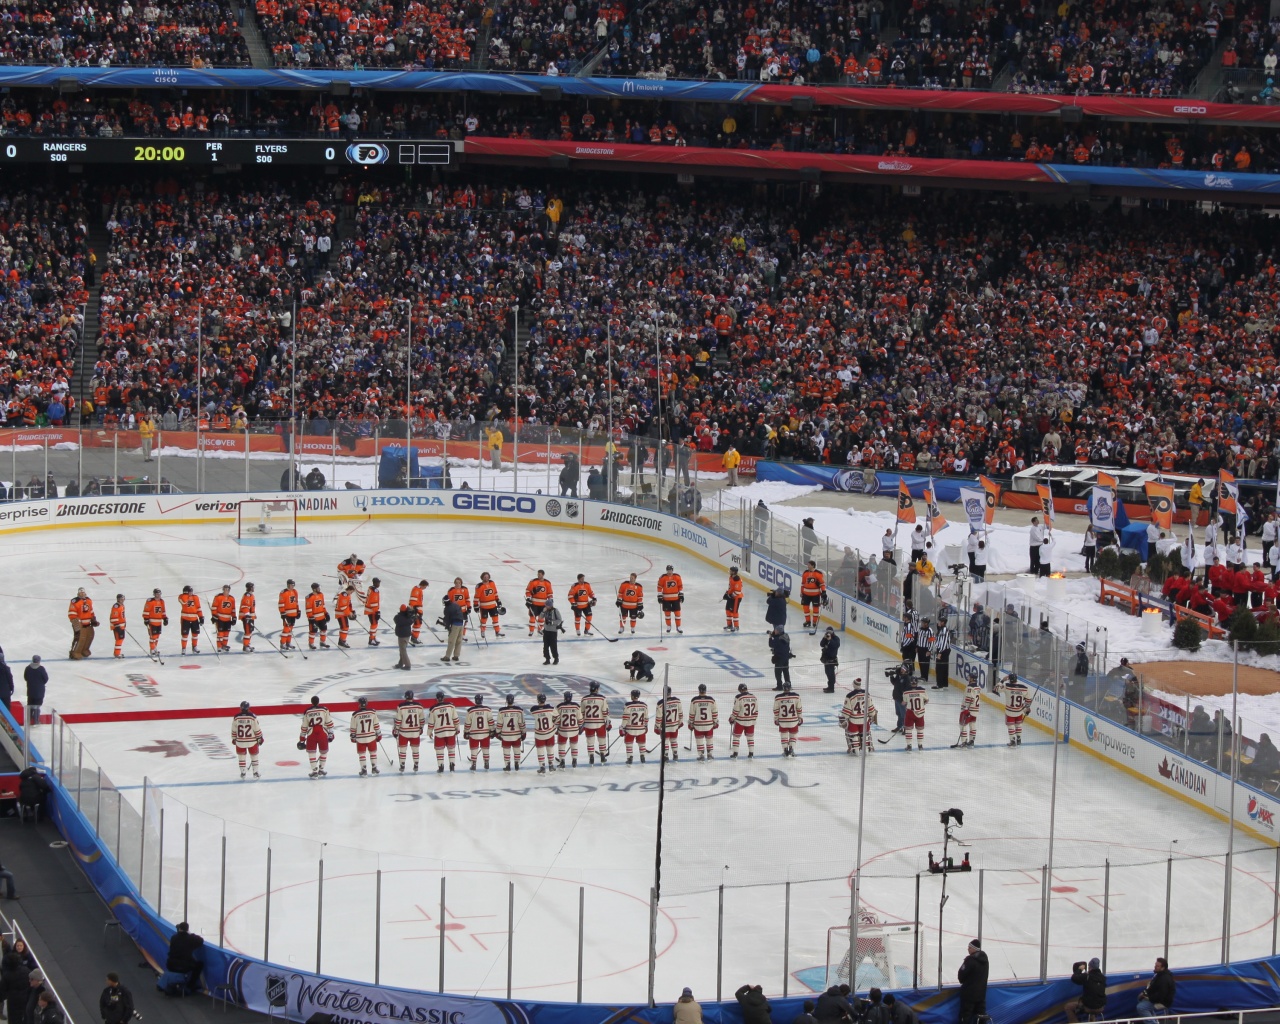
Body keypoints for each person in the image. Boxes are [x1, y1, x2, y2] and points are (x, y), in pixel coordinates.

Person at [298, 696, 334, 778]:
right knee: (324, 752)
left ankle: (314, 771)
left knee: (311, 753)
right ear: (318, 702)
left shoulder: (307, 711)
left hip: (311, 734)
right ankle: (321, 770)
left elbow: (304, 727)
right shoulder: (324, 710)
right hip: (322, 733)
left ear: (311, 702)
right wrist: (331, 734)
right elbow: (329, 723)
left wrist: (302, 740)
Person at [166, 921, 206, 992]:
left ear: (180, 928)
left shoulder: (173, 938)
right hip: (183, 966)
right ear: (187, 929)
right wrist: (191, 934)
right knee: (199, 965)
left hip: (170, 964)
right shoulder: (190, 938)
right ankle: (191, 985)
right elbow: (200, 941)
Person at [839, 678, 875, 755]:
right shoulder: (866, 693)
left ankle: (855, 749)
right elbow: (871, 708)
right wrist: (872, 715)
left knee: (852, 734)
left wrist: (843, 718)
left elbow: (846, 711)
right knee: (865, 734)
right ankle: (867, 748)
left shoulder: (850, 695)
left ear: (854, 685)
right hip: (865, 720)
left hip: (854, 720)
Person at [957, 939, 988, 1024]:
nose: (968, 949)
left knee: (965, 1017)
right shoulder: (985, 960)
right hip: (981, 995)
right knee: (981, 1018)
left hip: (969, 995)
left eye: (970, 947)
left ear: (974, 949)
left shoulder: (970, 960)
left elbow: (961, 975)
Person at [1066, 957, 1107, 1022]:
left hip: (1089, 1007)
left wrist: (1079, 970)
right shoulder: (1103, 977)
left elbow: (1074, 978)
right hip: (1100, 1007)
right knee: (1093, 1002)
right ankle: (1092, 1021)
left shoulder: (1087, 976)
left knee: (1068, 1007)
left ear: (1090, 967)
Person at [428, 691, 461, 772]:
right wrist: (457, 728)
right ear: (443, 698)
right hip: (450, 731)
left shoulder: (433, 709)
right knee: (451, 749)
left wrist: (429, 732)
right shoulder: (451, 706)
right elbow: (456, 719)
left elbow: (431, 722)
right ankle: (452, 765)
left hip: (439, 733)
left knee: (439, 750)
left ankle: (441, 766)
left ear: (436, 699)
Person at [350, 695, 382, 776]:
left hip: (360, 737)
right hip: (371, 736)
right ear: (366, 703)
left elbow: (353, 728)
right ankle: (374, 768)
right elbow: (376, 725)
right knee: (373, 753)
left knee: (362, 754)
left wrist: (352, 736)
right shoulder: (372, 712)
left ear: (359, 704)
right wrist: (379, 734)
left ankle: (364, 770)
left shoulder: (355, 715)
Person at [581, 681, 612, 765]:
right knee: (602, 740)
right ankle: (602, 756)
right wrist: (608, 723)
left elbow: (582, 713)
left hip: (588, 724)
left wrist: (581, 725)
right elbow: (605, 712)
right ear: (597, 689)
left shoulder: (584, 699)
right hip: (600, 724)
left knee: (590, 741)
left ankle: (591, 757)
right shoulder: (602, 698)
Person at [996, 674, 1031, 747]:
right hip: (1019, 711)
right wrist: (1026, 709)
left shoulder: (1007, 686)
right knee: (1018, 725)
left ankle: (1012, 741)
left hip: (1010, 711)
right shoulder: (1024, 688)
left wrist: (1002, 680)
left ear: (1009, 679)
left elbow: (996, 689)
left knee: (1010, 725)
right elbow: (1028, 700)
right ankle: (1019, 739)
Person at [496, 695, 526, 771]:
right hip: (516, 735)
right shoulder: (519, 710)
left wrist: (497, 732)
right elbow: (521, 723)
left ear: (506, 701)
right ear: (513, 700)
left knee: (506, 751)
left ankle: (507, 765)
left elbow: (499, 724)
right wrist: (523, 732)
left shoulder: (501, 711)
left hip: (506, 735)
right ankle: (517, 764)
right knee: (517, 751)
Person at [531, 693, 559, 774]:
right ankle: (551, 766)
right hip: (550, 732)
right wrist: (553, 722)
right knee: (550, 749)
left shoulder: (534, 709)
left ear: (538, 700)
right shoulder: (550, 708)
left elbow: (535, 713)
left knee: (540, 750)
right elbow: (557, 716)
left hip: (539, 734)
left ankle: (542, 767)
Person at [730, 682, 759, 758]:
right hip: (751, 721)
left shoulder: (739, 697)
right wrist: (753, 719)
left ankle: (735, 753)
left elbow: (736, 710)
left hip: (740, 721)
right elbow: (756, 710)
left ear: (739, 690)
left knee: (736, 737)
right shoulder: (754, 697)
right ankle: (751, 753)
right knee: (750, 737)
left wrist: (732, 718)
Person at [773, 681, 802, 757]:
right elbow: (799, 708)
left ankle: (785, 751)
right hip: (793, 720)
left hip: (782, 721)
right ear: (790, 688)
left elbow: (776, 710)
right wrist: (800, 717)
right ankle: (791, 749)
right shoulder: (796, 696)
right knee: (793, 735)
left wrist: (776, 718)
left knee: (784, 736)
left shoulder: (778, 697)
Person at [474, 572, 504, 638]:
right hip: (484, 606)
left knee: (495, 619)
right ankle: (483, 632)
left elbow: (495, 593)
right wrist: (475, 605)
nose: (486, 578)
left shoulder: (492, 583)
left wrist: (498, 601)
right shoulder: (479, 586)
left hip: (493, 605)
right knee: (484, 620)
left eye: (487, 577)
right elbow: (476, 597)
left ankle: (497, 631)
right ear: (482, 577)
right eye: (485, 577)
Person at [556, 690, 582, 767]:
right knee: (574, 745)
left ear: (564, 697)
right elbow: (580, 719)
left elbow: (556, 719)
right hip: (574, 730)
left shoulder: (559, 706)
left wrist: (556, 728)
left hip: (563, 730)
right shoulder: (576, 706)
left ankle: (562, 762)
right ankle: (574, 761)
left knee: (561, 746)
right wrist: (580, 727)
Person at [903, 674, 928, 751]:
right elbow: (926, 700)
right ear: (917, 682)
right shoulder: (923, 691)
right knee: (920, 730)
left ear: (910, 682)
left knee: (908, 730)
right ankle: (920, 745)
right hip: (920, 713)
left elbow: (904, 703)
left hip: (910, 713)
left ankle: (909, 745)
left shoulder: (906, 692)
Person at [800, 561, 826, 634]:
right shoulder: (805, 573)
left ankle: (814, 622)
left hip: (815, 594)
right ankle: (808, 621)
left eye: (808, 565)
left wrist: (823, 592)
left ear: (812, 565)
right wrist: (801, 592)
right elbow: (803, 583)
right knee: (805, 608)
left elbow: (822, 584)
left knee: (815, 608)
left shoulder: (818, 574)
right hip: (806, 594)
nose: (807, 566)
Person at [658, 565, 685, 634]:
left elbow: (680, 586)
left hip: (676, 598)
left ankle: (678, 627)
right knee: (667, 614)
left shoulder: (677, 577)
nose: (669, 572)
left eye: (670, 570)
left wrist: (681, 595)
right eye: (668, 570)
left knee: (677, 613)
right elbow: (659, 587)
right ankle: (668, 626)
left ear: (672, 570)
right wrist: (659, 596)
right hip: (666, 599)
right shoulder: (663, 577)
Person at [526, 570, 553, 636]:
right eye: (538, 574)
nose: (538, 576)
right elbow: (528, 591)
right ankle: (531, 631)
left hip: (543, 604)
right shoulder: (533, 581)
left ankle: (540, 630)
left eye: (540, 574)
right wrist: (528, 598)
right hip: (534, 603)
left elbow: (550, 593)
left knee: (541, 618)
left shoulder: (547, 583)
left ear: (543, 575)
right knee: (532, 617)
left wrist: (550, 600)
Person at [441, 595, 466, 662]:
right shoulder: (456, 604)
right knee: (459, 641)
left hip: (455, 625)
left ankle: (447, 656)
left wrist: (447, 626)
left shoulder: (447, 608)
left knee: (451, 641)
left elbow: (447, 619)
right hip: (461, 624)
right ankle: (456, 656)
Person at [541, 597, 566, 665]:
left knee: (553, 646)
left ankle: (556, 658)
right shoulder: (545, 610)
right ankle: (547, 659)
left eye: (547, 605)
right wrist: (543, 611)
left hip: (553, 632)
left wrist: (552, 622)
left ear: (550, 605)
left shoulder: (555, 611)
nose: (546, 606)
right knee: (545, 646)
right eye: (546, 605)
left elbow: (559, 620)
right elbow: (540, 617)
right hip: (546, 631)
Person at [24, 656, 47, 727]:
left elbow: (25, 677)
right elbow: (45, 678)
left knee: (30, 705)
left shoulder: (28, 668)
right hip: (39, 691)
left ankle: (28, 720)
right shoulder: (41, 669)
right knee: (37, 706)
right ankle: (36, 721)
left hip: (30, 690)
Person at [278, 579, 300, 651]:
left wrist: (298, 611)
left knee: (291, 629)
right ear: (288, 585)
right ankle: (283, 643)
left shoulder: (295, 591)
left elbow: (296, 602)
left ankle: (288, 642)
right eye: (291, 585)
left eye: (293, 585)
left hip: (293, 613)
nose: (293, 586)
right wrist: (282, 613)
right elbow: (281, 604)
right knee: (286, 629)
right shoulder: (283, 592)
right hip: (287, 614)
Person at [393, 604, 415, 670]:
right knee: (402, 650)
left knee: (403, 650)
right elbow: (411, 620)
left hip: (402, 636)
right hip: (406, 635)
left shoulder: (398, 617)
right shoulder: (408, 618)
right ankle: (401, 663)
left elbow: (395, 619)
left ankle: (408, 665)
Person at [820, 626, 840, 692]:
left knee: (831, 673)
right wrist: (824, 638)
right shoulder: (826, 638)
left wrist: (830, 640)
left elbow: (835, 645)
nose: (828, 633)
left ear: (832, 632)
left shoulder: (836, 638)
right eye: (827, 632)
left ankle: (831, 688)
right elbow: (821, 644)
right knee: (827, 672)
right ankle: (829, 686)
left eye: (830, 632)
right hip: (826, 659)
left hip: (832, 659)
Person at [723, 566, 743, 632]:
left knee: (734, 612)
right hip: (731, 597)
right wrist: (727, 593)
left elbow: (738, 591)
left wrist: (730, 596)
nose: (730, 572)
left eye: (731, 571)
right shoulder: (731, 577)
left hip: (736, 598)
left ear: (734, 572)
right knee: (728, 610)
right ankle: (729, 625)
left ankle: (736, 626)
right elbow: (730, 587)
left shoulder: (737, 579)